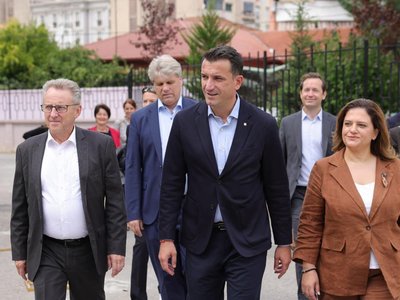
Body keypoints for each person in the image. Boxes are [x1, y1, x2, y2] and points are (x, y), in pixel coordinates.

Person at [158, 45, 292, 300]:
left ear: (238, 81)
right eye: (205, 77)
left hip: (246, 241)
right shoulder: (185, 123)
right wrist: (166, 238)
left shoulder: (263, 125)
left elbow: (276, 187)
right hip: (200, 241)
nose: (208, 85)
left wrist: (283, 242)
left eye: (218, 78)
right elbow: (171, 184)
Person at [10, 78, 127, 300]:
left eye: (60, 107)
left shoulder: (100, 146)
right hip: (46, 251)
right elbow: (20, 206)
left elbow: (114, 201)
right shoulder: (27, 150)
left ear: (77, 110)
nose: (53, 113)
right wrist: (19, 253)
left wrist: (116, 247)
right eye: (48, 107)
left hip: (88, 250)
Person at [293, 98, 400, 300]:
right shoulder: (323, 169)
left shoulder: (395, 168)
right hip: (338, 273)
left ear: (376, 132)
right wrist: (308, 269)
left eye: (361, 125)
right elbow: (310, 223)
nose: (352, 130)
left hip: (385, 273)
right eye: (347, 124)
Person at [124, 54, 196, 299]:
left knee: (197, 274)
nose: (165, 88)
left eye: (170, 82)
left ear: (180, 81)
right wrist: (133, 211)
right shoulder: (141, 119)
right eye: (159, 83)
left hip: (193, 207)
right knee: (168, 278)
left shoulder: (198, 110)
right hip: (155, 211)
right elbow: (133, 166)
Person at [279, 72, 336, 300]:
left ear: (324, 94)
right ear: (300, 94)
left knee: (330, 247)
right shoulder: (288, 123)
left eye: (315, 90)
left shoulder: (336, 122)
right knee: (302, 250)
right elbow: (280, 160)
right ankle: (304, 295)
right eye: (306, 90)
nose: (310, 93)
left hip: (330, 194)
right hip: (299, 195)